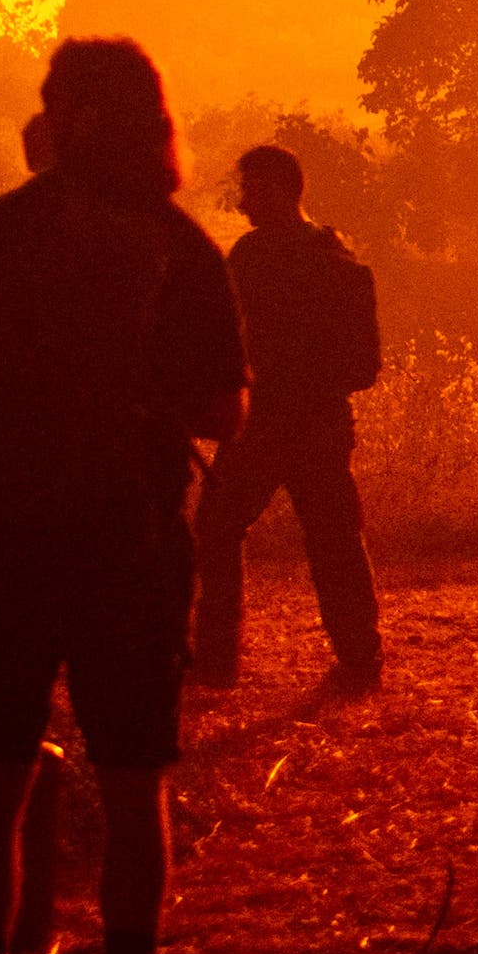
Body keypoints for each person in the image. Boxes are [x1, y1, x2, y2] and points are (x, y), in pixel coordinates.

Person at [0, 38, 247, 954]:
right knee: (133, 783)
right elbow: (225, 413)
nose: (45, 116)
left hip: (8, 536)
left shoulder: (11, 227)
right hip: (130, 543)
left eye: (53, 101)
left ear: (82, 115)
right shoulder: (177, 241)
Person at [190, 144, 384, 694]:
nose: (245, 202)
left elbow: (224, 341)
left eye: (251, 189)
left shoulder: (256, 258)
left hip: (274, 423)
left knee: (222, 528)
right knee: (332, 539)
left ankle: (217, 659)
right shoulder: (332, 258)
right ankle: (360, 659)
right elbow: (363, 365)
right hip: (312, 423)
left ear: (279, 189)